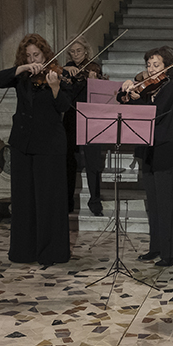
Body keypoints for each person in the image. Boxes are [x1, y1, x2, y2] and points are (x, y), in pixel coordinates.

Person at [0, 34, 72, 266]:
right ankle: (23, 251)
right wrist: (22, 68)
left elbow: (64, 106)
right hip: (22, 144)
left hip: (49, 145)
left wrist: (55, 87)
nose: (32, 58)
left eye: (36, 55)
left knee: (48, 200)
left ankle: (51, 252)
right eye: (28, 56)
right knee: (23, 200)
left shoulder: (59, 74)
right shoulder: (23, 76)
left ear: (45, 54)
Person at [118, 47, 173, 266]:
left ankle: (171, 252)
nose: (150, 69)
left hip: (166, 149)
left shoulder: (172, 86)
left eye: (156, 65)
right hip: (147, 148)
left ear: (167, 66)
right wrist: (127, 89)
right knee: (154, 202)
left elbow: (153, 113)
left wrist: (137, 98)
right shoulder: (150, 88)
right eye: (148, 65)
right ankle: (156, 247)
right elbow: (124, 101)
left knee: (165, 202)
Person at [65, 37, 106, 217]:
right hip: (71, 118)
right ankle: (67, 200)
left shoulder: (94, 68)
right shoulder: (65, 70)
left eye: (79, 51)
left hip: (90, 118)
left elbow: (100, 95)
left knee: (93, 162)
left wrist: (93, 82)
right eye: (72, 52)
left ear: (86, 52)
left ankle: (95, 201)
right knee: (68, 160)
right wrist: (65, 71)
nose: (75, 55)